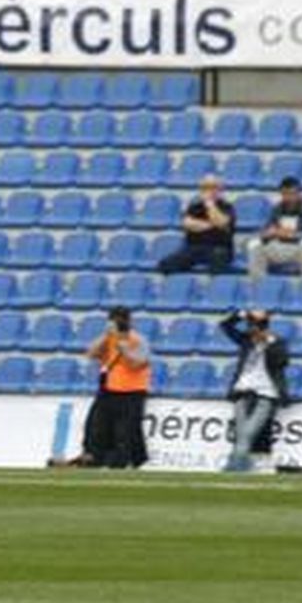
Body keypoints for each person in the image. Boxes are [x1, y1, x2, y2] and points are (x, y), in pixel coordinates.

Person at [220, 309, 289, 473]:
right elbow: (225, 326)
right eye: (250, 326)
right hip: (242, 391)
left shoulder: (276, 342)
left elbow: (282, 362)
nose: (252, 330)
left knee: (248, 432)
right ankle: (242, 467)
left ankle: (233, 468)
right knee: (242, 432)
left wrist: (269, 344)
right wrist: (242, 314)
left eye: (255, 327)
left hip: (266, 393)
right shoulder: (246, 341)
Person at [81, 306, 149, 469]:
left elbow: (138, 363)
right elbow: (90, 354)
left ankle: (124, 460)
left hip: (132, 391)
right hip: (109, 389)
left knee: (125, 432)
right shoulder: (107, 339)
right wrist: (106, 336)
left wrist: (124, 349)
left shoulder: (137, 340)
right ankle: (96, 457)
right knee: (98, 427)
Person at [246, 176, 302, 278]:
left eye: (292, 194)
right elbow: (266, 229)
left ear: (299, 194)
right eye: (285, 194)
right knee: (254, 244)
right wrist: (268, 233)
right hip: (278, 246)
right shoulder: (277, 208)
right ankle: (258, 284)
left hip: (299, 247)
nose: (289, 197)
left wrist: (290, 234)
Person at [158, 174, 235, 273]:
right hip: (194, 247)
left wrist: (209, 204)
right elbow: (188, 224)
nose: (209, 191)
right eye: (205, 187)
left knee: (218, 263)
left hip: (219, 247)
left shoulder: (227, 207)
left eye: (213, 187)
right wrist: (212, 225)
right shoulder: (194, 206)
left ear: (220, 189)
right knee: (166, 265)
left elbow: (221, 223)